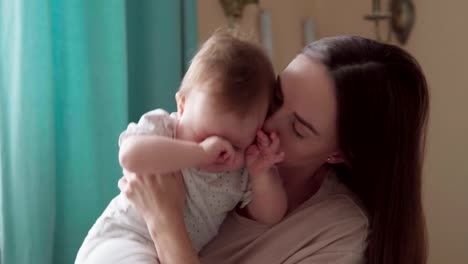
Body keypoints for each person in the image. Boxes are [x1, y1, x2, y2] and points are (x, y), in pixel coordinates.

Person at [119, 35, 429, 264]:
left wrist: (164, 223)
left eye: (297, 128)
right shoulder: (224, 145)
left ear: (337, 154)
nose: (266, 122)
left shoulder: (337, 236)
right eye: (276, 98)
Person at [75, 32, 287, 264]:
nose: (220, 149)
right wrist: (199, 153)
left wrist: (262, 174)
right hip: (123, 238)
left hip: (169, 252)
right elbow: (130, 156)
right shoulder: (165, 128)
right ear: (182, 106)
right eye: (205, 136)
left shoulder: (240, 170)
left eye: (236, 145)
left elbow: (271, 215)